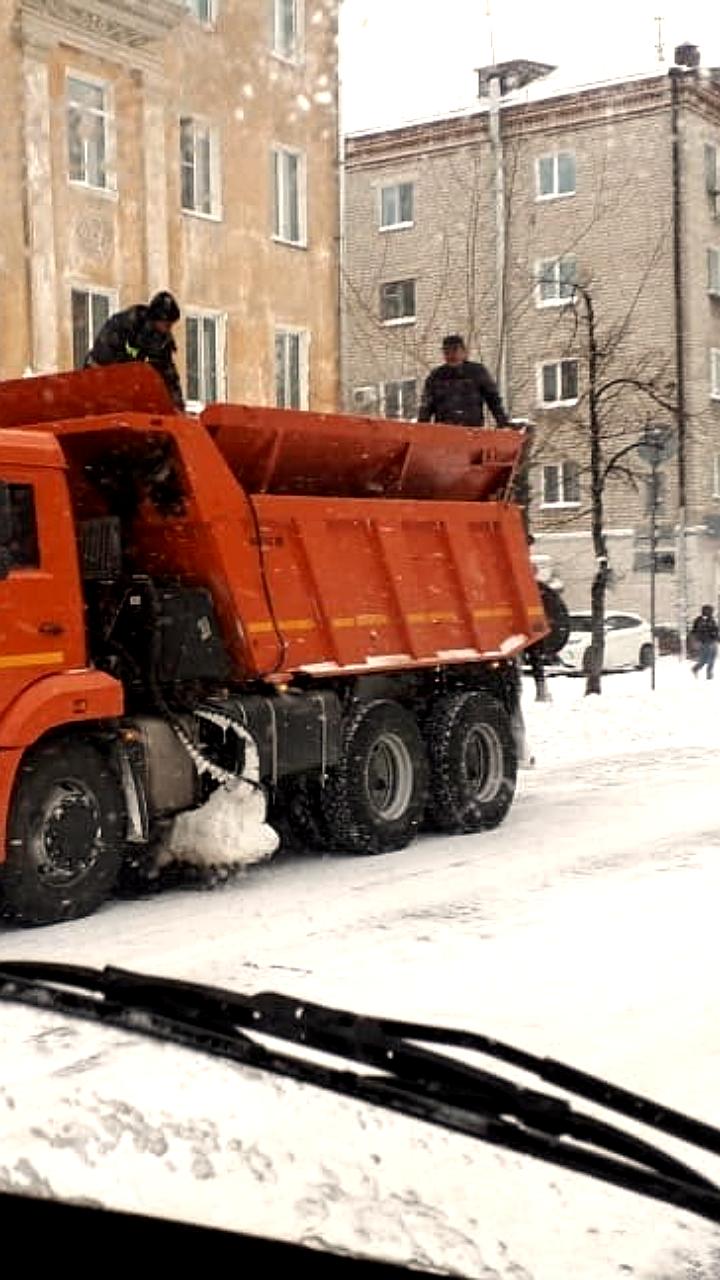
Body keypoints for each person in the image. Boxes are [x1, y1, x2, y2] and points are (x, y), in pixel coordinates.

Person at [84, 291, 185, 410]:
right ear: (156, 318)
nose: (168, 330)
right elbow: (101, 359)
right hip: (102, 384)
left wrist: (177, 406)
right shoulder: (124, 326)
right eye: (167, 325)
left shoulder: (162, 342)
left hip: (131, 393)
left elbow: (169, 375)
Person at [417, 334, 510, 427]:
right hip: (444, 433)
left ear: (464, 351)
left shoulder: (477, 372)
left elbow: (493, 399)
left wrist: (502, 422)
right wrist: (421, 430)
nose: (451, 355)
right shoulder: (436, 376)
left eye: (454, 350)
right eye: (446, 352)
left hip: (472, 432)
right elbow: (426, 407)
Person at [690, 604, 719, 680]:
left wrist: (717, 637)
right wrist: (696, 641)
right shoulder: (699, 620)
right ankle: (696, 669)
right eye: (710, 610)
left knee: (712, 659)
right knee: (704, 660)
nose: (711, 612)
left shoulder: (712, 620)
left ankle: (709, 674)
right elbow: (694, 631)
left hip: (713, 642)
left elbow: (716, 630)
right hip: (704, 642)